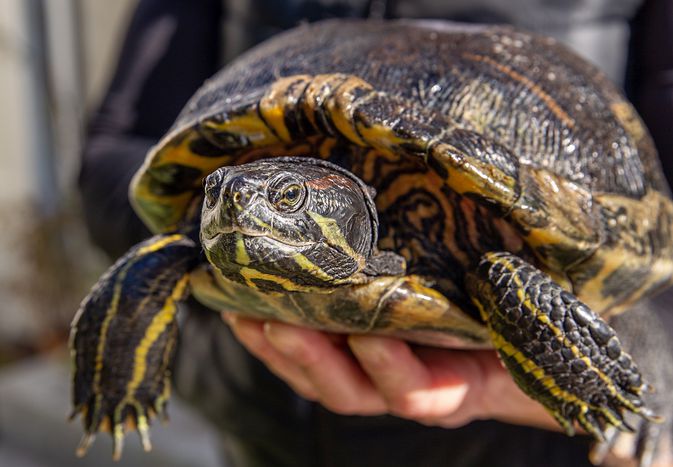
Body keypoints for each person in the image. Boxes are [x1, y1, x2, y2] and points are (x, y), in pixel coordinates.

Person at [79, 0, 673, 465]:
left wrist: (638, 390)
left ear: (351, 210)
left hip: (526, 449)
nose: (235, 206)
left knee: (507, 278)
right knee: (160, 257)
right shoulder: (215, 229)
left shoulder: (483, 249)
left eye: (286, 201)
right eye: (221, 196)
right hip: (264, 425)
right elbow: (114, 151)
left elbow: (644, 248)